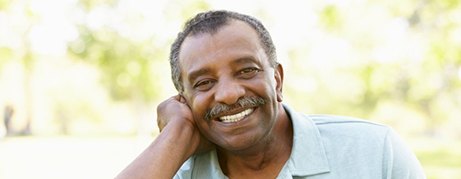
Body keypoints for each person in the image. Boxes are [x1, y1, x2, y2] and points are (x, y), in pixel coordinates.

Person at [116, 10, 425, 179]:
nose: (227, 94)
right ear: (183, 100)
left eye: (246, 70)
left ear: (276, 80)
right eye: (204, 83)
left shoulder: (374, 152)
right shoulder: (178, 173)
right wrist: (178, 131)